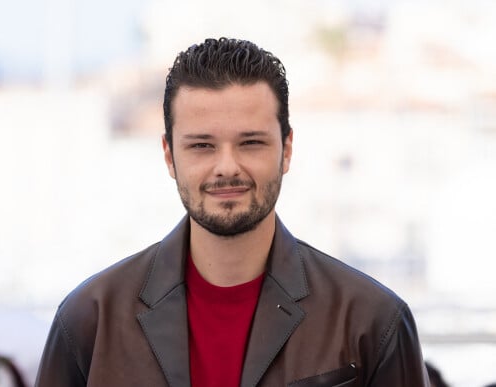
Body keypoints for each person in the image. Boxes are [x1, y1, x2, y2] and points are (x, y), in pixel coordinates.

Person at [35, 37, 430, 386]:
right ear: (169, 156)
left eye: (251, 143)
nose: (227, 166)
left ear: (286, 150)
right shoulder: (90, 320)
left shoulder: (371, 320)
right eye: (202, 145)